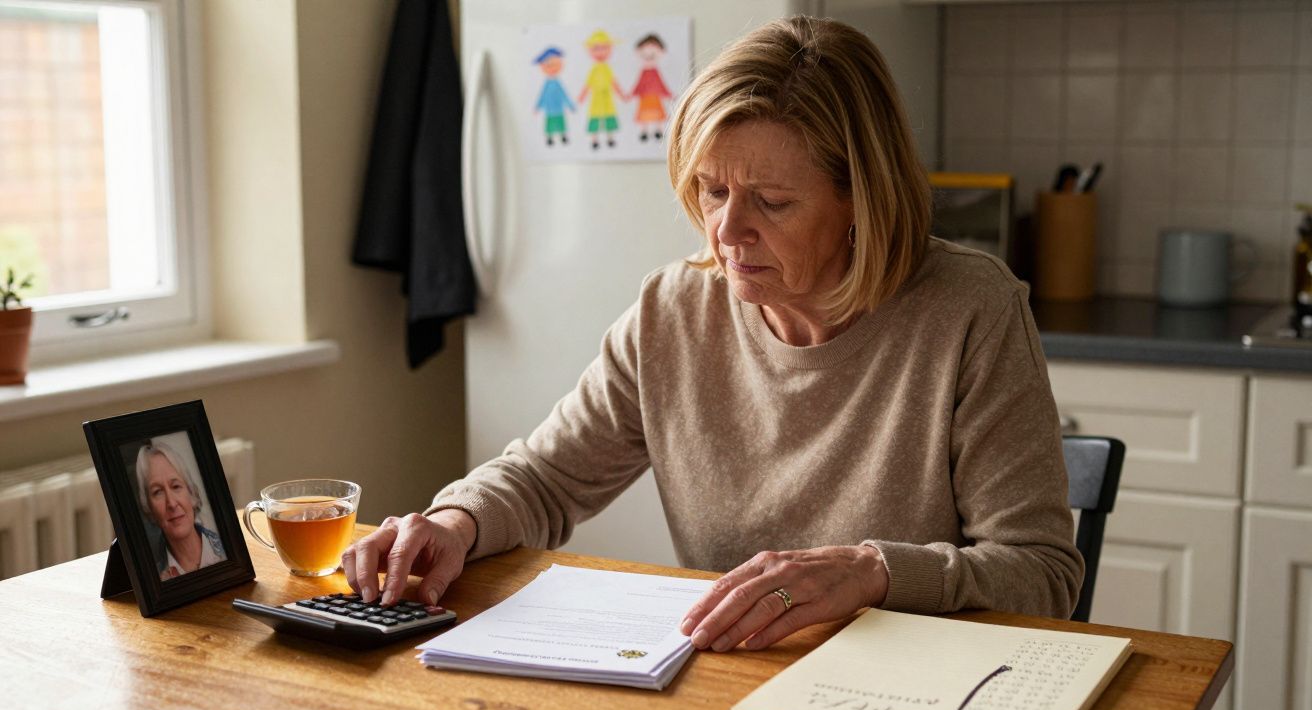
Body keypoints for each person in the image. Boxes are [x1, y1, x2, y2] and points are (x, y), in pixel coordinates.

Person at [343, 17, 1082, 653]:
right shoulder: (675, 310)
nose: (726, 232)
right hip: (731, 680)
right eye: (712, 189)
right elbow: (545, 477)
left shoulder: (969, 310)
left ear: (862, 195)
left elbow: (1043, 576)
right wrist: (454, 520)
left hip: (917, 696)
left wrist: (873, 570)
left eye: (772, 201)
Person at [135, 439, 227, 581]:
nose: (171, 503)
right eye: (158, 492)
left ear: (191, 494)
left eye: (176, 486)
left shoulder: (227, 551)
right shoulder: (154, 579)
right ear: (149, 508)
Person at [576, 29, 626, 150]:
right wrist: (582, 96)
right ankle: (594, 140)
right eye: (596, 48)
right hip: (596, 100)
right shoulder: (593, 70)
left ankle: (610, 138)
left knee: (609, 119)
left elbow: (613, 82)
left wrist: (621, 95)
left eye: (604, 48)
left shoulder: (608, 68)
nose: (600, 52)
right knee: (595, 120)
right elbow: (588, 84)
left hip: (607, 99)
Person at [628, 33, 672, 142]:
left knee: (657, 114)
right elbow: (639, 84)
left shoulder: (655, 72)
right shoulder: (643, 72)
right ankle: (644, 131)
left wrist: (668, 94)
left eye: (652, 53)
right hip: (645, 98)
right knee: (644, 115)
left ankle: (658, 130)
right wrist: (632, 93)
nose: (648, 56)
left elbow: (661, 84)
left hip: (655, 98)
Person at [532, 47, 574, 147]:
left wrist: (570, 105)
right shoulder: (546, 84)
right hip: (549, 110)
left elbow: (564, 94)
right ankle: (549, 138)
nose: (552, 68)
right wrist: (538, 106)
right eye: (549, 65)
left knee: (561, 123)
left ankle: (563, 136)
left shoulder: (557, 83)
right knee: (550, 125)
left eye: (555, 64)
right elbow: (542, 96)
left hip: (559, 109)